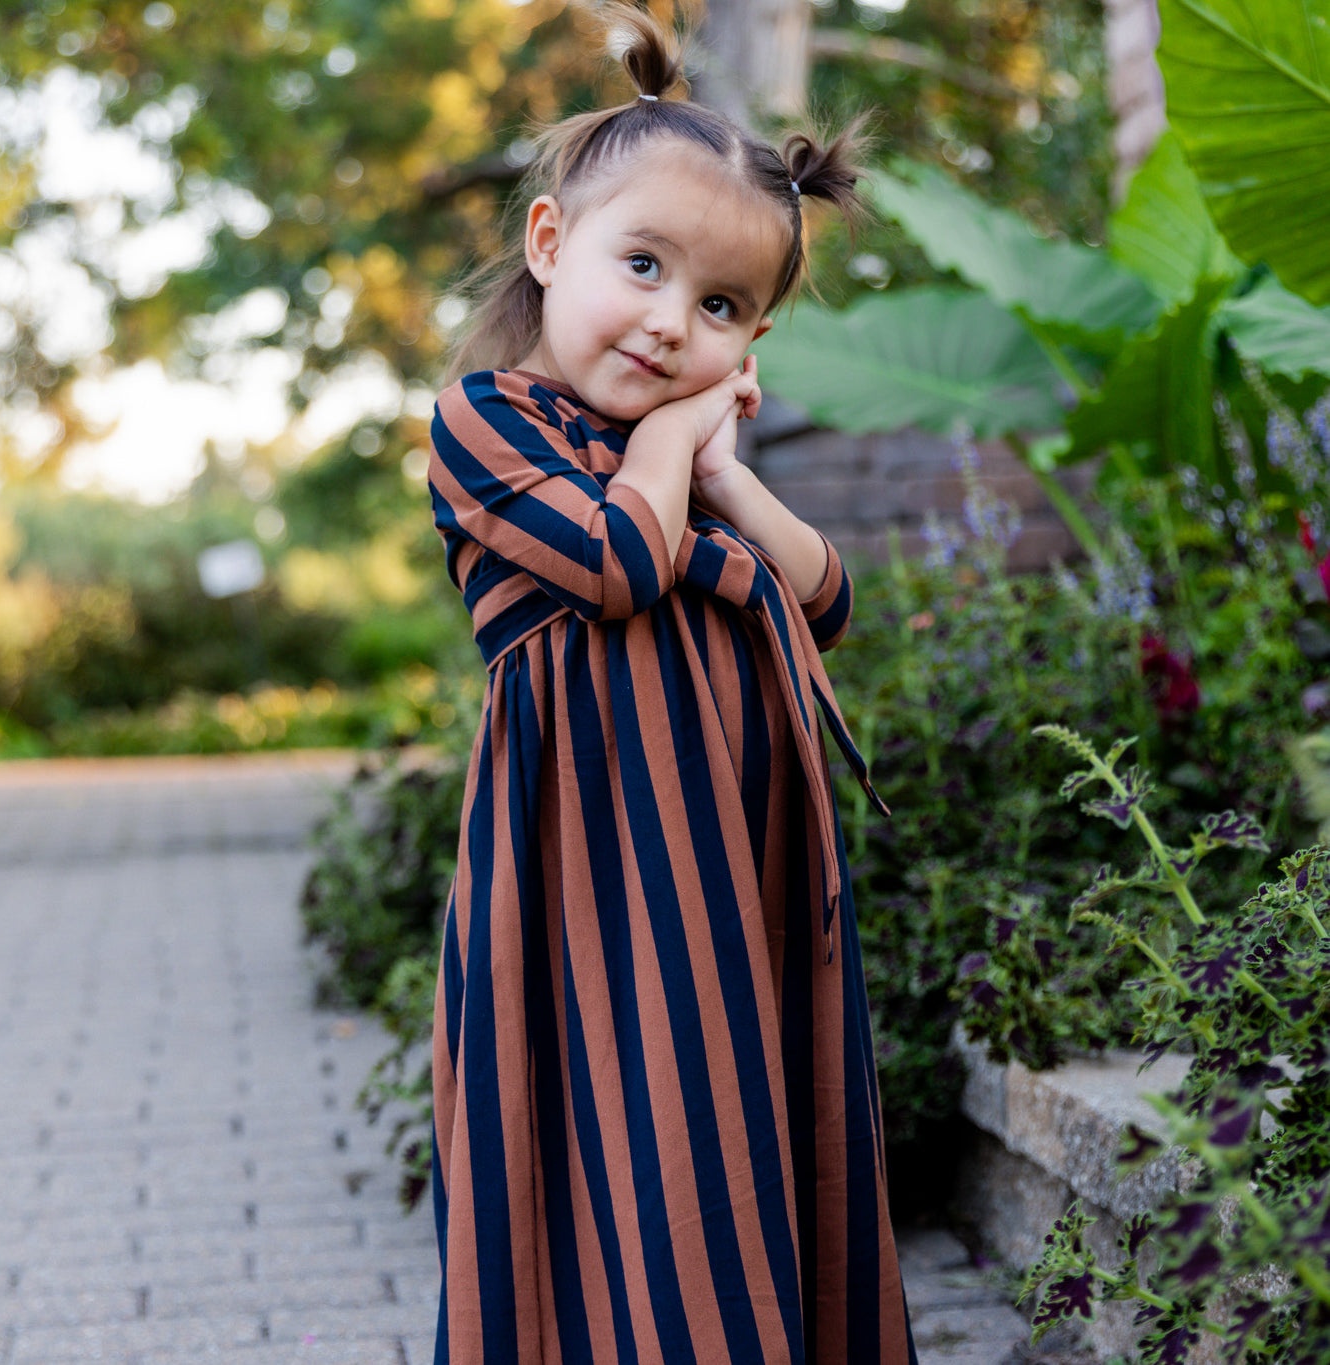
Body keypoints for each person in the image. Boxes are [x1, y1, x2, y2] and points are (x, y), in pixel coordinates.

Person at [425, 5, 917, 1361]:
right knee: (631, 1137)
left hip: (736, 863)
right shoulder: (489, 422)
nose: (666, 325)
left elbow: (826, 598)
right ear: (549, 242)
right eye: (641, 265)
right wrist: (686, 427)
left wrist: (727, 475)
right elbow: (615, 564)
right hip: (595, 874)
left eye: (719, 309)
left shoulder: (677, 458)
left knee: (748, 1129)